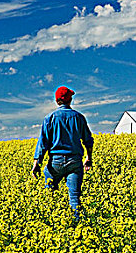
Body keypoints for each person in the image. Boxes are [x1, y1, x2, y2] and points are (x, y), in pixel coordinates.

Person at [31, 86, 94, 221]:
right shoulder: (79, 117)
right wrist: (88, 157)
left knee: (50, 195)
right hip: (75, 162)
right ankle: (77, 226)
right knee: (75, 198)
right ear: (70, 99)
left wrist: (37, 162)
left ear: (57, 101)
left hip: (55, 162)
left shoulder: (50, 118)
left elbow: (43, 143)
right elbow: (88, 140)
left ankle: (51, 223)